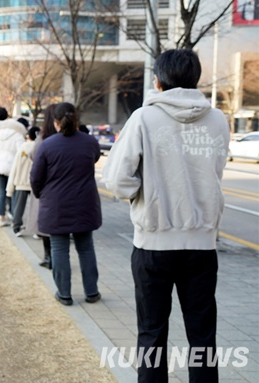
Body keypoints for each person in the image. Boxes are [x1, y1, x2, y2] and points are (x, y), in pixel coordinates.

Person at [102, 49, 230, 382]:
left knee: (152, 336)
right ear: (195, 77)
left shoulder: (145, 118)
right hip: (202, 243)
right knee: (202, 338)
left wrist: (142, 195)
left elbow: (116, 179)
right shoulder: (217, 119)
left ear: (158, 81)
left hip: (154, 242)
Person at [30, 102, 102, 307]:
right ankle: (91, 292)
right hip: (85, 203)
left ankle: (64, 294)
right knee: (86, 247)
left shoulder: (47, 144)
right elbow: (93, 160)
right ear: (76, 120)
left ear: (55, 122)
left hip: (56, 205)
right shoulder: (90, 142)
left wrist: (41, 195)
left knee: (59, 249)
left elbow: (36, 178)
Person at [26, 104, 57, 269]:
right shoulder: (73, 137)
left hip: (46, 185)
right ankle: (55, 258)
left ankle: (48, 256)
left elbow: (33, 156)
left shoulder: (43, 138)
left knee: (44, 222)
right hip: (66, 187)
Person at [0, 107, 27, 227]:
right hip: (12, 163)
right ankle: (14, 215)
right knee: (13, 191)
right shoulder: (18, 135)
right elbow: (21, 150)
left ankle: (2, 217)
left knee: (1, 191)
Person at [6, 126, 39, 236]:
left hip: (21, 181)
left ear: (28, 136)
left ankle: (17, 227)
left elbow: (15, 167)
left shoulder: (22, 148)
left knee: (19, 205)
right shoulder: (40, 148)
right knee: (35, 208)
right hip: (36, 182)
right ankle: (36, 230)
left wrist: (10, 189)